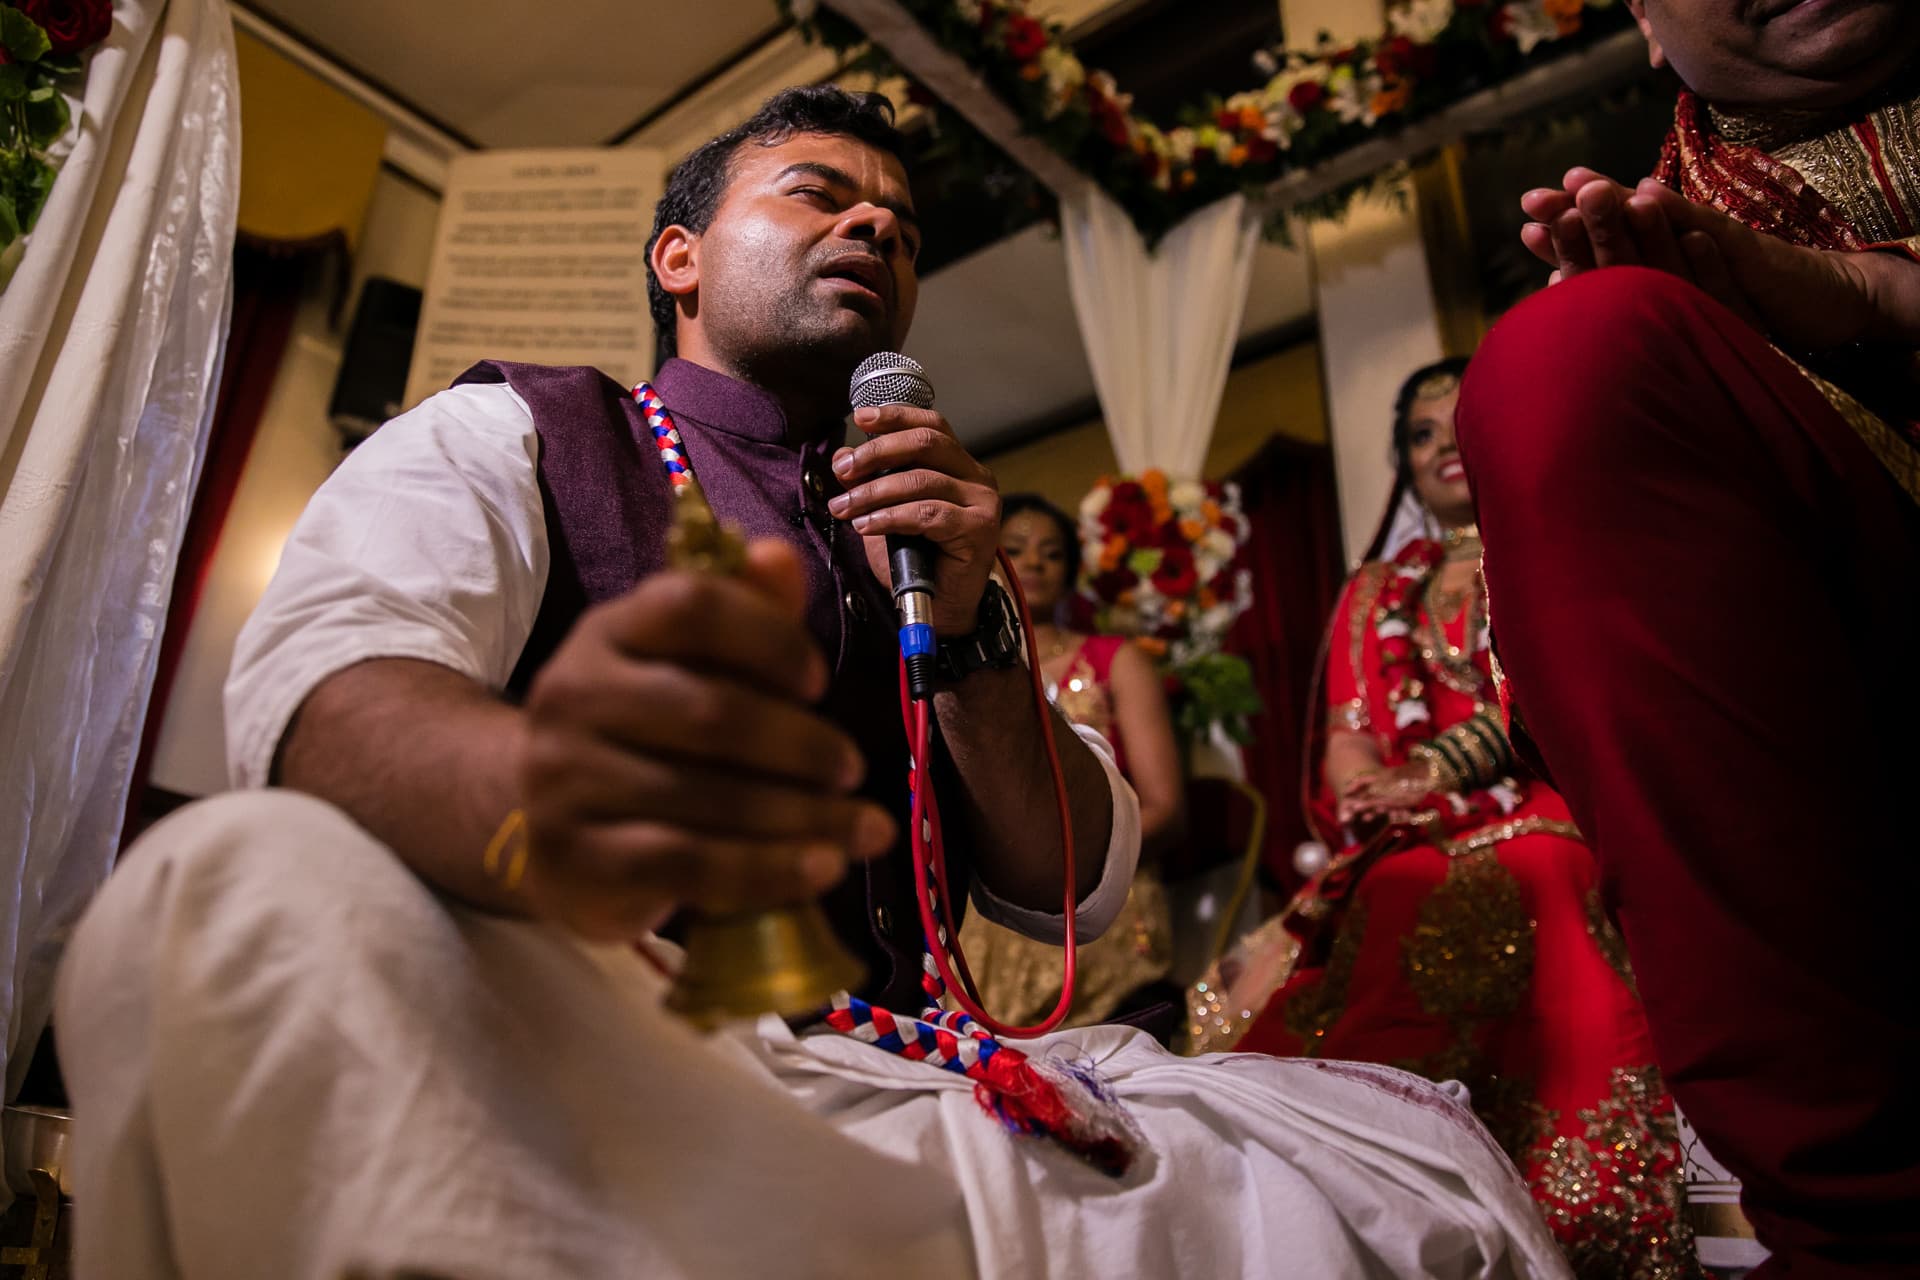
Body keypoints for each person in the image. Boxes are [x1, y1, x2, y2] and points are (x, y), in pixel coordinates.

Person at [52, 87, 1573, 1279]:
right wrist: (562, 796)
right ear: (681, 259)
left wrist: (972, 629)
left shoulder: (922, 526)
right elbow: (327, 695)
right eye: (821, 197)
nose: (875, 234)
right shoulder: (516, 431)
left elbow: (1072, 888)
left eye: (902, 228)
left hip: (905, 1069)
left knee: (1388, 1190)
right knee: (225, 883)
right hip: (606, 1029)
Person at [1452, 2, 1920, 1275]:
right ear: (1650, 33)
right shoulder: (1650, 253)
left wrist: (1865, 289)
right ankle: (1868, 1222)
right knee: (1568, 357)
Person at [1185, 360, 1700, 1279]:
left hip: (1554, 800)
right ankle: (1387, 1190)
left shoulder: (1555, 540)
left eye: (1458, 423)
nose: (1440, 447)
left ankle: (1575, 1205)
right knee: (1389, 887)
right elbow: (1350, 731)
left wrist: (1438, 766)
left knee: (1539, 867)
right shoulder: (1375, 590)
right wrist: (1366, 786)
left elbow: (1566, 697)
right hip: (1412, 828)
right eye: (1420, 436)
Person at [956, 495, 1185, 1029]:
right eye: (1014, 549)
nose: (1032, 563)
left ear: (1071, 569)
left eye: (1051, 553)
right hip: (987, 905)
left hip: (1102, 896)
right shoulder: (960, 673)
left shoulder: (1117, 660)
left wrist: (1077, 872)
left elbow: (1165, 807)